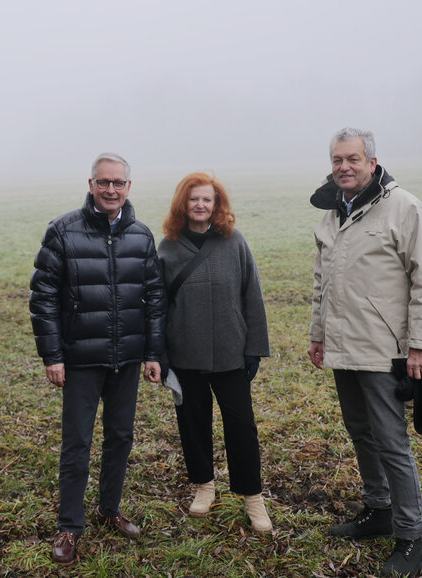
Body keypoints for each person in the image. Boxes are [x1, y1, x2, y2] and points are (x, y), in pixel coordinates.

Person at [308, 128, 422, 577]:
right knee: (360, 433)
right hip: (343, 349)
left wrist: (421, 345)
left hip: (385, 352)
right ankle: (378, 509)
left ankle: (410, 537)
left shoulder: (404, 208)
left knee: (392, 443)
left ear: (372, 161)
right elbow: (321, 281)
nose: (343, 166)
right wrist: (318, 334)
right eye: (336, 159)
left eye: (352, 159)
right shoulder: (331, 212)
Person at [29, 152, 166, 565]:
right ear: (91, 185)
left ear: (128, 187)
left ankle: (109, 510)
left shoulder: (141, 236)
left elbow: (155, 299)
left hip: (126, 360)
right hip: (80, 360)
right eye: (103, 183)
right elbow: (43, 298)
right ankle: (70, 525)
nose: (111, 190)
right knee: (78, 443)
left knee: (120, 437)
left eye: (118, 183)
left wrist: (153, 353)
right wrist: (52, 355)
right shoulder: (63, 231)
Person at [157, 172, 272, 533]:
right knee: (193, 424)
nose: (200, 205)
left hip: (230, 353)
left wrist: (254, 349)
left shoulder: (234, 242)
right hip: (184, 355)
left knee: (241, 426)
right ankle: (203, 486)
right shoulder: (167, 248)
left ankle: (252, 497)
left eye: (207, 199)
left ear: (217, 205)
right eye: (194, 199)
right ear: (183, 204)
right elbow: (157, 307)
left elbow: (251, 295)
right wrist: (159, 355)